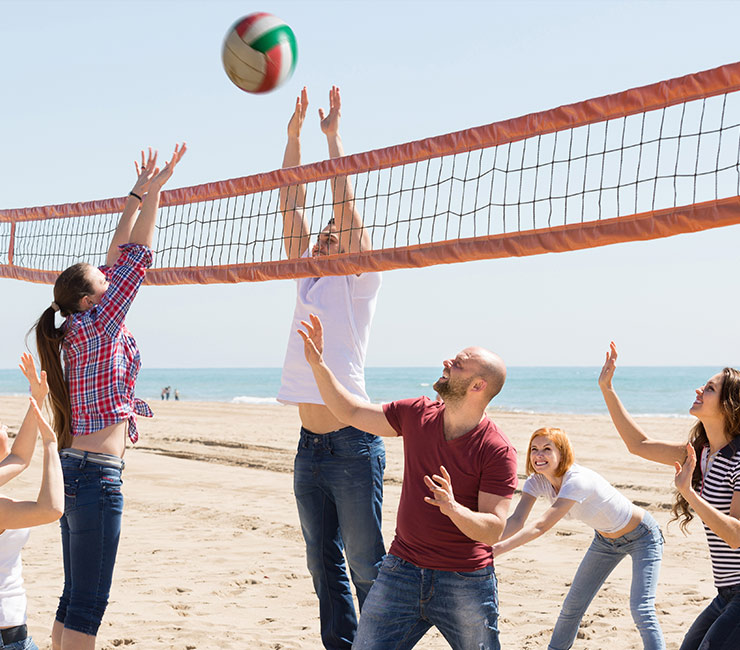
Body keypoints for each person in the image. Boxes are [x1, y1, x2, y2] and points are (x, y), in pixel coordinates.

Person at [34, 144, 186, 650]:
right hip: (96, 475)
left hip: (73, 467)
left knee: (74, 596)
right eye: (104, 278)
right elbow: (137, 257)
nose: (111, 272)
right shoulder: (101, 322)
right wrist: (157, 195)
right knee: (87, 605)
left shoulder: (79, 325)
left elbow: (118, 254)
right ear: (91, 296)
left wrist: (138, 194)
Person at [298, 314, 517, 650]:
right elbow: (352, 412)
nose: (447, 361)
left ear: (477, 386)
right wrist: (318, 364)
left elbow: (493, 530)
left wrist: (454, 509)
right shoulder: (417, 413)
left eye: (458, 363)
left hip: (464, 581)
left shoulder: (496, 449)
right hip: (401, 570)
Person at [276, 87, 384, 649]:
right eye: (321, 236)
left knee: (368, 567)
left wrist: (332, 138)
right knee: (325, 569)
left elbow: (344, 206)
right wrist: (293, 138)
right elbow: (290, 203)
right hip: (308, 447)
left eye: (335, 236)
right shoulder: (307, 280)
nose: (324, 236)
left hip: (351, 444)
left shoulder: (359, 286)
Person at [599, 342, 740, 650]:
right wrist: (607, 389)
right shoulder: (699, 454)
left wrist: (688, 492)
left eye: (711, 389)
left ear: (729, 405)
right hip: (726, 591)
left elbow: (735, 535)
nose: (699, 390)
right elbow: (639, 444)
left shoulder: (739, 459)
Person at [492, 426, 665, 650]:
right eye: (534, 449)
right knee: (572, 606)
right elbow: (517, 520)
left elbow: (541, 526)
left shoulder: (577, 480)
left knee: (642, 609)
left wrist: (497, 551)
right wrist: (485, 544)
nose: (539, 455)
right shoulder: (537, 481)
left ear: (562, 453)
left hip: (643, 536)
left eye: (547, 448)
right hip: (605, 542)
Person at [0, 354, 64, 650]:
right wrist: (51, 445)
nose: (4, 430)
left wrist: (37, 397)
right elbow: (50, 509)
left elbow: (20, 457)